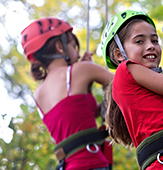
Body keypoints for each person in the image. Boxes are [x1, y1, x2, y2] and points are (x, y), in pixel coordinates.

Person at [101, 10, 163, 170]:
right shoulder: (126, 70)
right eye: (139, 41)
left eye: (155, 40)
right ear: (119, 54)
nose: (151, 46)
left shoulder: (154, 91)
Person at [21, 17, 113, 170]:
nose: (77, 54)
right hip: (92, 162)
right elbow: (124, 84)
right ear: (59, 47)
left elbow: (75, 118)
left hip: (67, 165)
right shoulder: (81, 70)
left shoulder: (38, 94)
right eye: (73, 46)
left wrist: (85, 82)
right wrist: (86, 67)